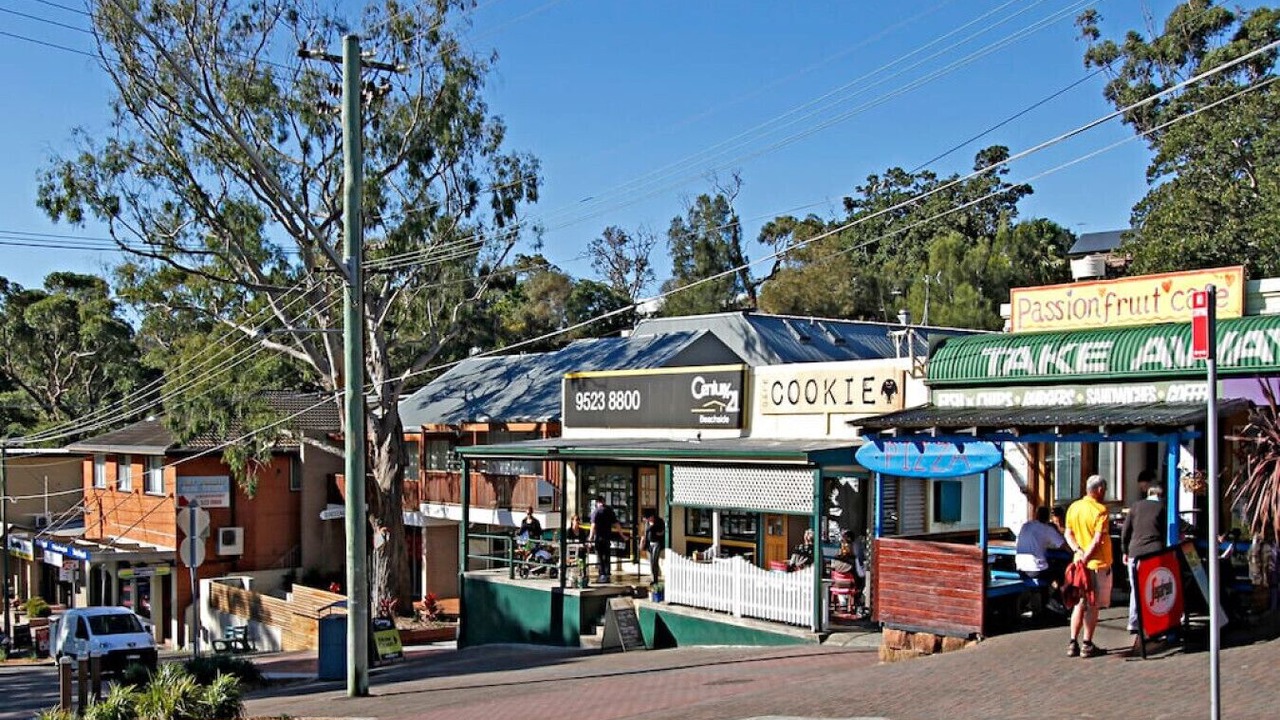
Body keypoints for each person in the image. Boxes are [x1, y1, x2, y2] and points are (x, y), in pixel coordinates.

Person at [1063, 475, 1114, 658]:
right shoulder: (1101, 510)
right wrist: (1086, 557)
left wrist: (1077, 550)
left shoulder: (1074, 507)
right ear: (1099, 490)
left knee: (1079, 603)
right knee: (1093, 604)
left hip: (1078, 562)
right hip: (1096, 563)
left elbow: (1068, 533)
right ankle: (1087, 643)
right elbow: (1097, 539)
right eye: (1104, 490)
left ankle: (1072, 642)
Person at [1121, 484, 1167, 636]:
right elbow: (1172, 526)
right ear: (1160, 495)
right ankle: (1155, 623)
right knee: (1155, 589)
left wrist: (1124, 550)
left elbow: (1126, 531)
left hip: (1135, 551)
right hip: (1155, 552)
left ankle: (1133, 622)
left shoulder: (1135, 506)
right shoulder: (1162, 507)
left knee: (1136, 588)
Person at [1016, 506, 1068, 580]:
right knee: (1060, 570)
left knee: (1048, 566)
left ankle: (1051, 586)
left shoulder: (1025, 525)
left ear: (1036, 516)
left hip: (1020, 569)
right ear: (1048, 517)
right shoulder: (1047, 529)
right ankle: (1059, 586)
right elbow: (1063, 545)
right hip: (1035, 570)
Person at [588, 496, 618, 584]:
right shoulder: (609, 511)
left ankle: (602, 574)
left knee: (600, 556)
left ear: (597, 502)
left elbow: (593, 525)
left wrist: (590, 538)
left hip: (599, 537)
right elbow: (616, 523)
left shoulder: (596, 512)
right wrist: (622, 535)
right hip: (607, 537)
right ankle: (607, 574)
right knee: (607, 556)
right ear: (604, 501)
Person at [642, 508, 666, 582]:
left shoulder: (659, 521)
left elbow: (662, 532)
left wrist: (659, 533)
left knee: (654, 561)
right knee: (651, 562)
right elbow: (646, 532)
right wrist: (644, 541)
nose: (648, 520)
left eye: (648, 518)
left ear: (652, 516)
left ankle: (655, 580)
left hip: (657, 543)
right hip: (650, 544)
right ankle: (653, 576)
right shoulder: (647, 523)